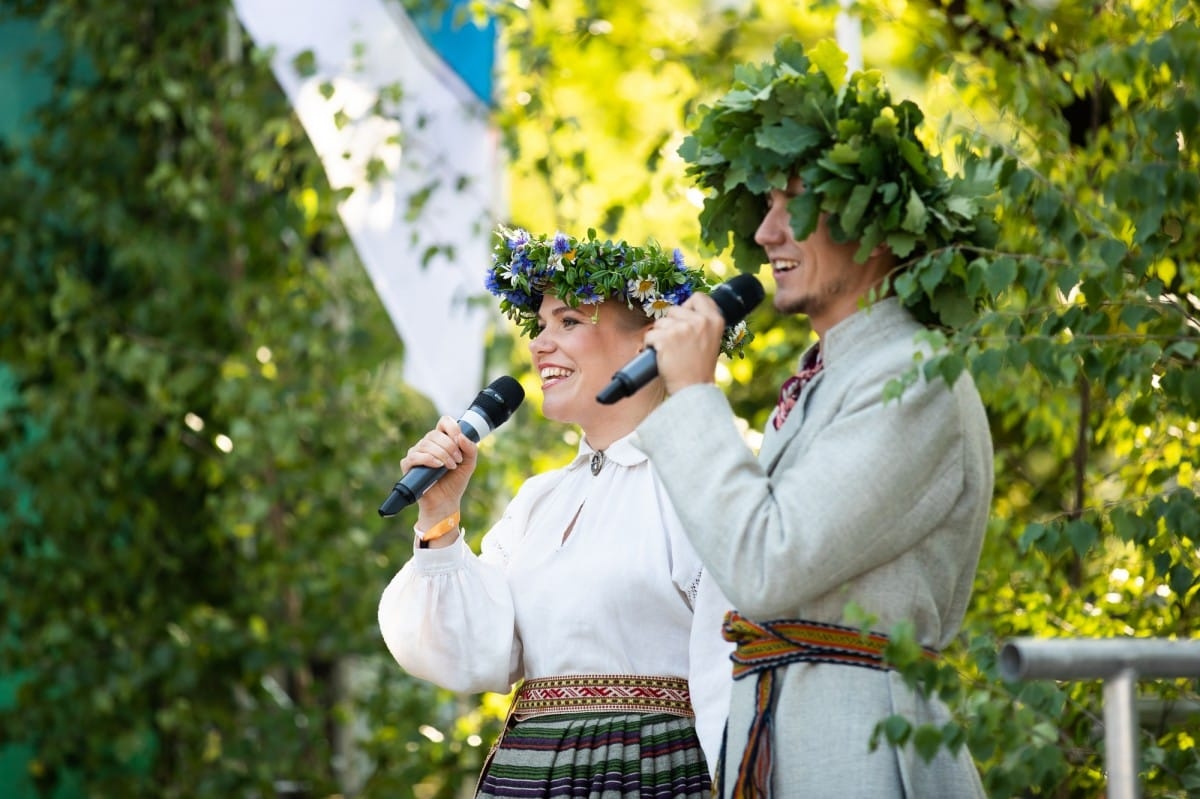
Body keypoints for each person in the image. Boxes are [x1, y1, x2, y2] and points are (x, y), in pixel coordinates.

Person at [632, 39, 997, 797]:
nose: (766, 234)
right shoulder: (836, 370)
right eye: (766, 206)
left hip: (861, 747)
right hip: (782, 735)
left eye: (791, 201)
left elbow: (768, 565)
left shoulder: (915, 373)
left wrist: (696, 396)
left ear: (871, 220)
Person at [377, 227, 750, 797]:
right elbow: (473, 654)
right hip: (527, 775)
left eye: (569, 321)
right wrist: (439, 517)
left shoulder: (701, 483)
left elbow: (735, 673)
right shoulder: (539, 501)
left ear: (652, 341)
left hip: (644, 774)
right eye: (541, 325)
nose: (540, 344)